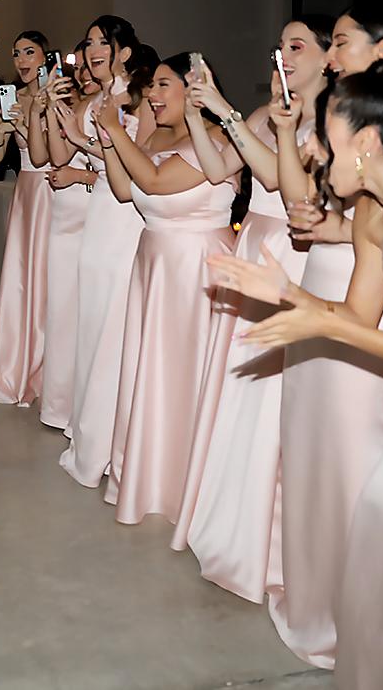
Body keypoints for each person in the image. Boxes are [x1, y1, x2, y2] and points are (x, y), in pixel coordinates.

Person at [209, 61, 383, 689]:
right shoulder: (378, 219)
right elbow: (356, 314)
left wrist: (324, 325)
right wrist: (287, 295)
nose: (311, 149)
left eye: (323, 137)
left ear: (366, 142)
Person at [257, 0, 383, 669]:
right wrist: (288, 293)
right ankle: (340, 613)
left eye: (337, 42)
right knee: (350, 475)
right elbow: (362, 262)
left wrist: (314, 309)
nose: (331, 57)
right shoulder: (370, 200)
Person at [170, 17, 331, 602]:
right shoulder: (266, 115)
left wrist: (223, 108)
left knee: (271, 401)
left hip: (290, 257)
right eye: (279, 47)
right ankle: (225, 511)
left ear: (327, 60)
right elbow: (220, 171)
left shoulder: (332, 124)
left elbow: (286, 187)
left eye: (298, 46)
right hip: (252, 247)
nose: (282, 57)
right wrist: (198, 110)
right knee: (235, 393)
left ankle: (265, 534)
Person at [94, 53, 238, 524]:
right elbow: (123, 188)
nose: (152, 96)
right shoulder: (152, 135)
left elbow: (154, 182)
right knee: (149, 372)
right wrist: (110, 140)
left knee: (187, 375)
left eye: (161, 86)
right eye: (152, 87)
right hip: (153, 263)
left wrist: (117, 132)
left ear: (191, 91)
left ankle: (188, 481)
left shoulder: (215, 141)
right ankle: (151, 473)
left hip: (197, 270)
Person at [52, 16, 156, 487]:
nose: (92, 48)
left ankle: (111, 442)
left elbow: (138, 168)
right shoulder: (100, 99)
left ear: (124, 51)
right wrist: (77, 138)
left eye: (102, 41)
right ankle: (87, 430)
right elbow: (93, 153)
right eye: (89, 41)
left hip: (127, 221)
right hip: (98, 219)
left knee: (115, 329)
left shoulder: (141, 97)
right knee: (92, 324)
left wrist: (94, 142)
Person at [0, 31, 53, 405]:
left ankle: (52, 372)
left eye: (30, 52)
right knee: (23, 280)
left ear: (45, 55)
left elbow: (53, 156)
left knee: (51, 280)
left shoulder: (60, 95)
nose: (22, 60)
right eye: (16, 53)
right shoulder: (14, 98)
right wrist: (0, 130)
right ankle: (19, 366)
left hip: (56, 192)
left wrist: (25, 125)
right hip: (26, 192)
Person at [37, 40, 98, 429]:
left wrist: (79, 175)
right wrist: (47, 111)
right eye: (79, 70)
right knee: (62, 311)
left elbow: (117, 174)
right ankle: (61, 402)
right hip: (65, 219)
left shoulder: (116, 110)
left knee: (91, 315)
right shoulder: (74, 111)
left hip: (95, 214)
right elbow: (53, 158)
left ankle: (87, 400)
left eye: (90, 69)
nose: (83, 76)